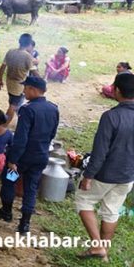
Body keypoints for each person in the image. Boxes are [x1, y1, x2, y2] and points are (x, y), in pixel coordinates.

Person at [75, 72, 134, 261]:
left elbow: (100, 151)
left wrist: (88, 176)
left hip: (106, 173)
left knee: (83, 200)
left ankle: (98, 247)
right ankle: (104, 253)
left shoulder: (111, 117)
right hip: (128, 175)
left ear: (117, 90)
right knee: (111, 210)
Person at [0, 76, 59, 234]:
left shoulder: (27, 110)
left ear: (33, 90)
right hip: (41, 157)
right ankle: (25, 224)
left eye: (26, 88)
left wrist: (13, 160)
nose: (24, 91)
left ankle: (6, 212)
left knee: (9, 181)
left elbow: (21, 138)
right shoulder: (53, 108)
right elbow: (52, 134)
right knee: (31, 188)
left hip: (21, 160)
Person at [0, 33, 36, 124]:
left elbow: (3, 66)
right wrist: (41, 81)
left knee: (14, 102)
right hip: (19, 85)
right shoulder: (27, 56)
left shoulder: (11, 51)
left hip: (9, 82)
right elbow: (34, 71)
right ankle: (3, 125)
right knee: (13, 106)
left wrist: (0, 80)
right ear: (29, 44)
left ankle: (18, 118)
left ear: (19, 41)